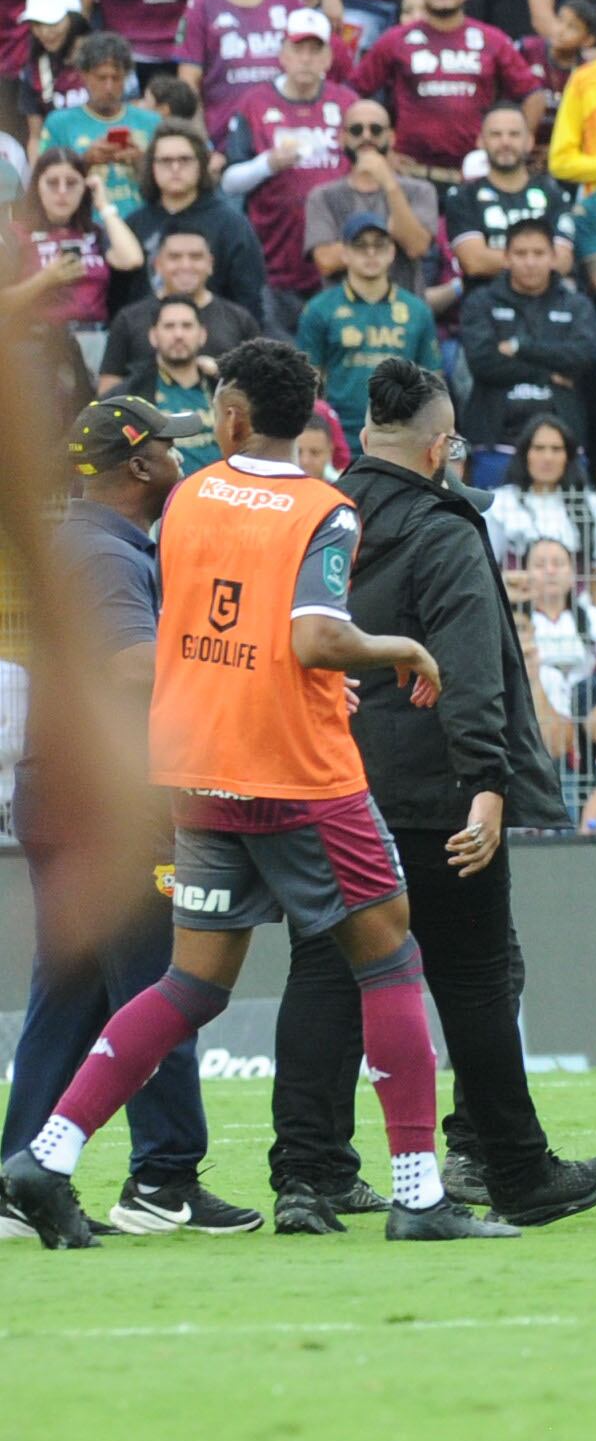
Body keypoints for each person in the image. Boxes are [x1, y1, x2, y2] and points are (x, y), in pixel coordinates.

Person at [0, 340, 514, 1246]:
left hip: (198, 773)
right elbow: (316, 636)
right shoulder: (327, 509)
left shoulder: (188, 499)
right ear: (309, 421)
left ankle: (45, 1156)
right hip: (302, 774)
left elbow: (204, 633)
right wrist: (401, 650)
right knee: (390, 959)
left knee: (192, 980)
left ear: (231, 418)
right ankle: (418, 1195)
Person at [266, 360, 596, 1228]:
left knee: (326, 970)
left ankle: (307, 1176)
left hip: (333, 781)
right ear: (439, 447)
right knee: (477, 975)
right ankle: (515, 1169)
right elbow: (469, 671)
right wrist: (488, 782)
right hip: (433, 791)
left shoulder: (321, 516)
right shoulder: (445, 527)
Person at [4, 395, 253, 1236]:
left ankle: (15, 1178)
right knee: (163, 983)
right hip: (104, 805)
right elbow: (131, 668)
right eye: (172, 449)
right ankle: (163, 1179)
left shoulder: (85, 542)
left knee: (70, 996)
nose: (182, 459)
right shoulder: (107, 554)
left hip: (63, 793)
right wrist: (243, 678)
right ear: (139, 465)